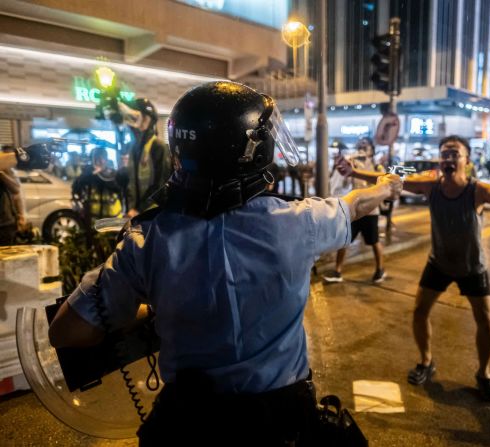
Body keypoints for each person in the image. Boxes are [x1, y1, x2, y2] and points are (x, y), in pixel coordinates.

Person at [47, 81, 402, 445]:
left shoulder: (145, 240)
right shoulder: (300, 223)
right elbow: (355, 205)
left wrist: (158, 309)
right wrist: (387, 186)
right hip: (281, 423)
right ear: (252, 150)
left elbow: (65, 331)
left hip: (189, 423)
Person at [337, 135, 490, 402]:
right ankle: (426, 361)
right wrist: (353, 172)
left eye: (455, 153)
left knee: (485, 320)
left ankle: (484, 374)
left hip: (472, 266)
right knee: (420, 311)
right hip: (439, 263)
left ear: (466, 160)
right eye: (444, 153)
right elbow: (390, 179)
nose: (448, 158)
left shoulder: (477, 190)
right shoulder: (431, 186)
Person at [323, 137, 387, 284]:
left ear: (372, 149)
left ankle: (380, 269)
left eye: (366, 146)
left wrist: (360, 171)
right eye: (360, 146)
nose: (362, 148)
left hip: (370, 210)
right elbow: (345, 183)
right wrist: (347, 168)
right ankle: (337, 271)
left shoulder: (377, 166)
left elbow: (380, 184)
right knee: (345, 240)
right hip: (355, 210)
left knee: (374, 241)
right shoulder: (353, 163)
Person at [121, 98, 172, 218]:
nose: (137, 123)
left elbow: (160, 185)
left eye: (143, 118)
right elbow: (130, 182)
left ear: (150, 120)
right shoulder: (133, 147)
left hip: (153, 213)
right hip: (136, 213)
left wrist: (138, 209)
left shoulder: (157, 146)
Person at [72, 147, 124, 225]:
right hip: (94, 222)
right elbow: (76, 187)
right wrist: (90, 174)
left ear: (106, 160)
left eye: (101, 158)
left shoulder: (113, 174)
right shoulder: (89, 175)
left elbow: (118, 189)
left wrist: (102, 175)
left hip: (112, 222)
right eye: (96, 158)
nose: (98, 161)